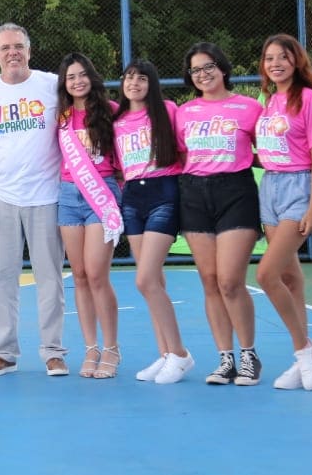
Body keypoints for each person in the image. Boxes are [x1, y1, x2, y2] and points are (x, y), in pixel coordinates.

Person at [0, 23, 68, 377]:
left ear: (29, 49)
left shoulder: (52, 85)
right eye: (5, 47)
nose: (13, 53)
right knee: (3, 277)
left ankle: (53, 352)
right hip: (2, 198)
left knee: (50, 278)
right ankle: (4, 353)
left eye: (19, 46)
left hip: (47, 195)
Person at [176, 43, 263, 386]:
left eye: (208, 66)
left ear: (223, 68)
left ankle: (249, 355)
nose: (203, 74)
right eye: (196, 70)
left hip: (235, 192)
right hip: (194, 194)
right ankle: (225, 358)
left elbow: (268, 146)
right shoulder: (184, 112)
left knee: (230, 280)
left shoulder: (250, 107)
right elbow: (176, 155)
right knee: (210, 281)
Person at [113, 59, 194, 384]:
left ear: (152, 83)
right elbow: (118, 166)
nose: (134, 83)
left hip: (164, 190)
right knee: (154, 281)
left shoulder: (169, 110)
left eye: (142, 78)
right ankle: (165, 355)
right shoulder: (117, 120)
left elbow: (186, 151)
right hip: (133, 196)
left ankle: (180, 354)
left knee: (144, 280)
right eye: (129, 78)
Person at [254, 34, 312, 391]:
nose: (275, 63)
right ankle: (303, 360)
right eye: (269, 59)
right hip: (269, 187)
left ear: (296, 61)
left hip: (298, 188)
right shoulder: (268, 101)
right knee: (289, 277)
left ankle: (305, 350)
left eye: (282, 57)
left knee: (266, 275)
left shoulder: (309, 98)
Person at [56, 53, 123, 379]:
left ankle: (111, 348)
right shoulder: (62, 116)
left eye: (82, 75)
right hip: (68, 196)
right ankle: (91, 348)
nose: (78, 81)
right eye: (71, 77)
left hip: (102, 193)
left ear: (91, 77)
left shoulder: (109, 111)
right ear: (64, 84)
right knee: (79, 275)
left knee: (97, 273)